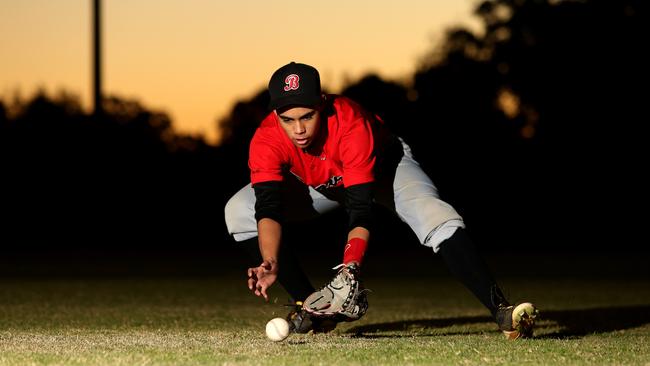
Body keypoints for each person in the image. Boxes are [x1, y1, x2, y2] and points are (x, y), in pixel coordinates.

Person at [224, 62, 538, 339]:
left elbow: (361, 210)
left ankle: (501, 309)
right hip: (319, 183)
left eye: (307, 116)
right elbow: (267, 206)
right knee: (238, 210)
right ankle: (315, 310)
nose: (299, 129)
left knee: (436, 215)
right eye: (287, 119)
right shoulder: (266, 138)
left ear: (321, 103)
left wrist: (350, 270)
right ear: (275, 114)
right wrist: (271, 260)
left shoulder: (350, 123)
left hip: (386, 168)